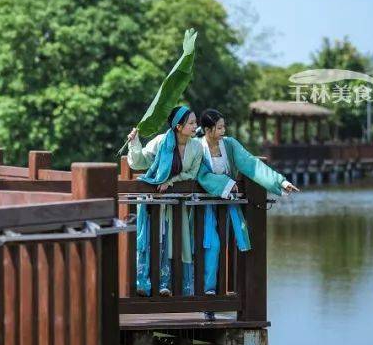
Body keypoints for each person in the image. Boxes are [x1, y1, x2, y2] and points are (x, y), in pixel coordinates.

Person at [195, 108, 300, 318]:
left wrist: (281, 182)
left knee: (233, 248)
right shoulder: (196, 148)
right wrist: (226, 183)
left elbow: (251, 164)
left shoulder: (230, 145)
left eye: (224, 126)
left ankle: (224, 301)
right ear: (207, 130)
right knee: (211, 247)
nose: (224, 131)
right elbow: (200, 175)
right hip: (202, 209)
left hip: (228, 206)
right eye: (219, 127)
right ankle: (207, 299)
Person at [126, 106, 203, 297]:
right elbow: (139, 162)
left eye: (195, 123)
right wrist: (134, 142)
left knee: (172, 240)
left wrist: (171, 181)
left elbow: (191, 174)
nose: (195, 126)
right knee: (152, 239)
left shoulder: (196, 147)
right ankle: (143, 283)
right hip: (153, 201)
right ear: (179, 126)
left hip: (177, 203)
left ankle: (166, 284)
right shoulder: (161, 141)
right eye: (191, 123)